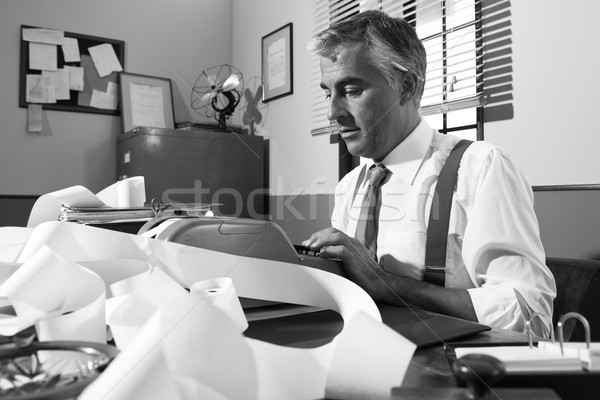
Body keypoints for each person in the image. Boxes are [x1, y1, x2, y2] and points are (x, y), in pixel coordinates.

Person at [303, 10, 556, 336]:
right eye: (328, 92)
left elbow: (529, 315)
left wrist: (387, 284)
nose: (332, 112)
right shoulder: (350, 186)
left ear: (406, 87)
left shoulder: (481, 167)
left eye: (351, 90)